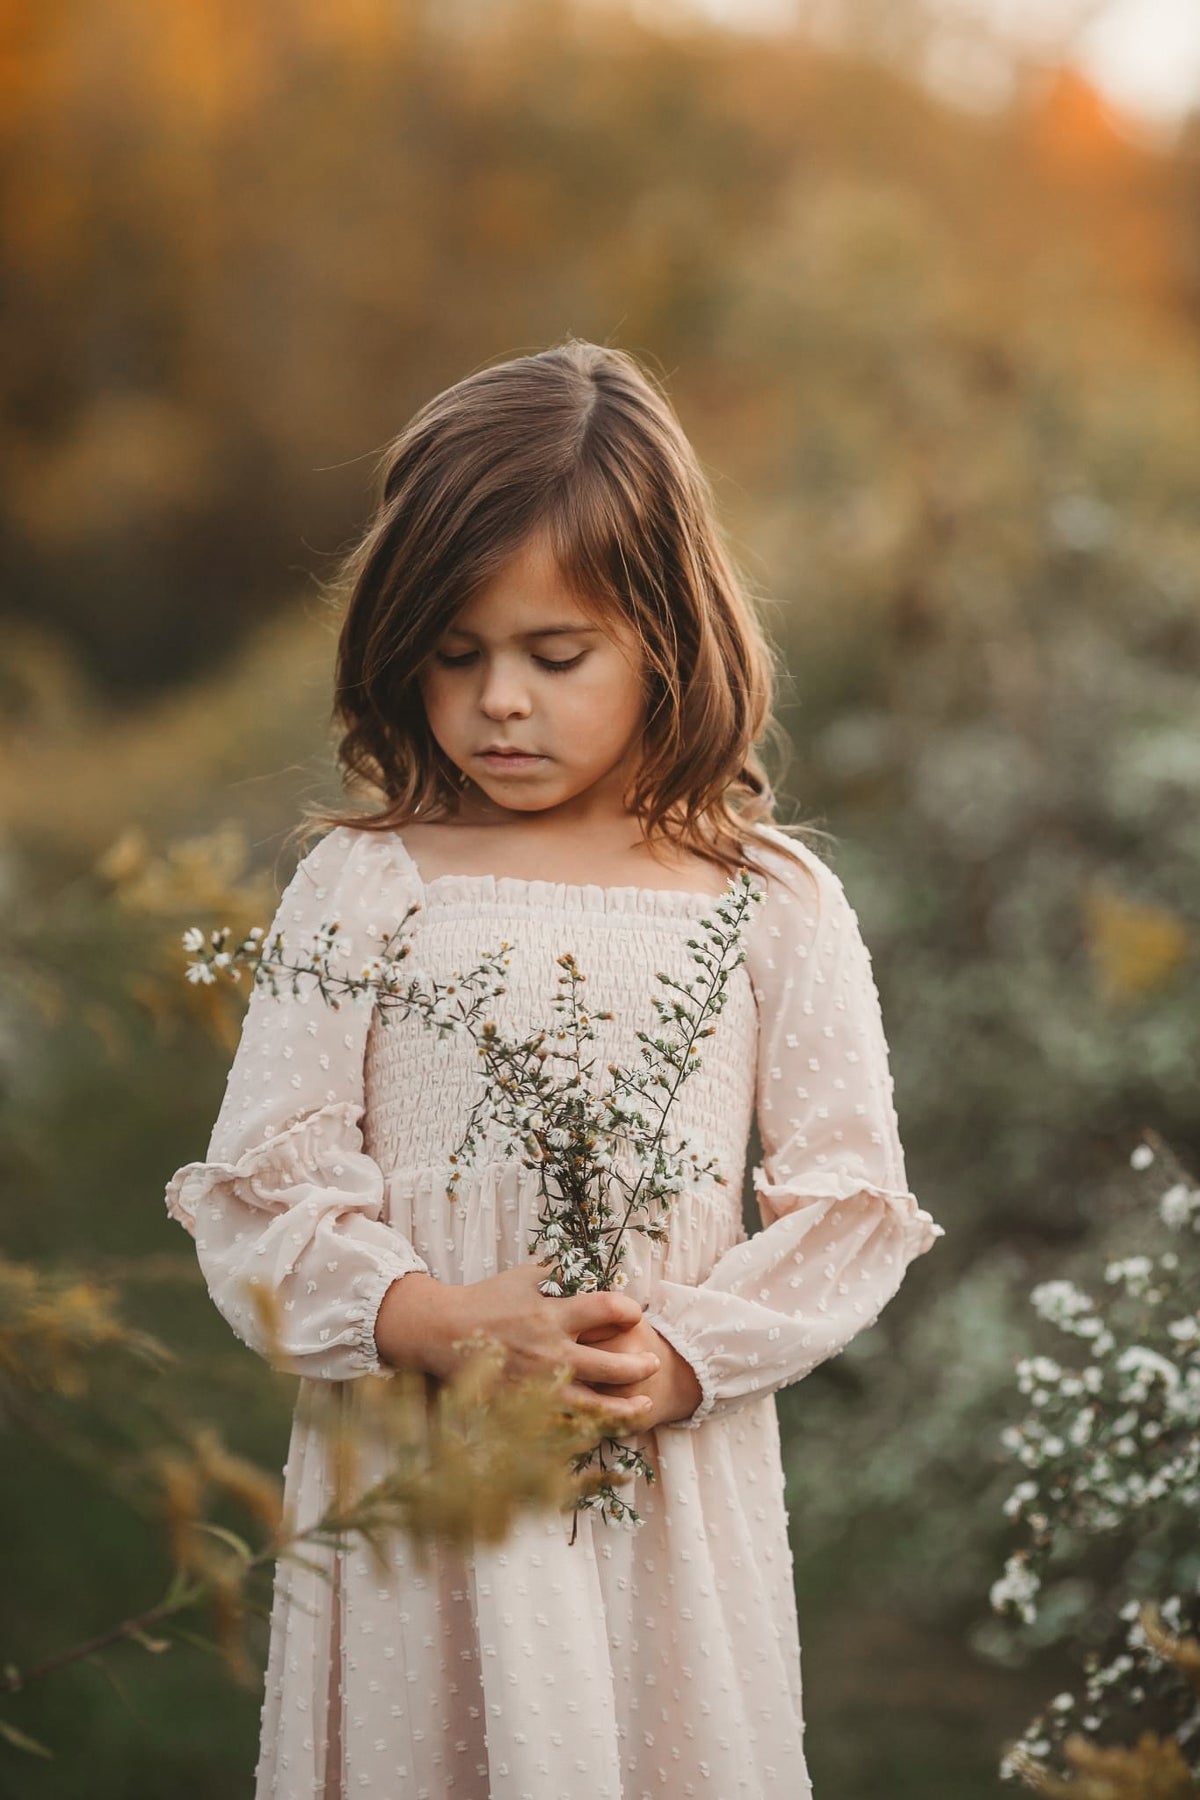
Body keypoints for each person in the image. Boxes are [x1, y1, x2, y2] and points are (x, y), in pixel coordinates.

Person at [163, 338, 945, 1800]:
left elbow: (852, 1204)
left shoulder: (766, 900)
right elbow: (261, 1191)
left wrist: (686, 1353)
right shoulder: (368, 882)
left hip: (658, 1492)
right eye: (454, 656)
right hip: (425, 1491)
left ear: (666, 634)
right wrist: (432, 1317)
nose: (498, 701)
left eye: (553, 654)